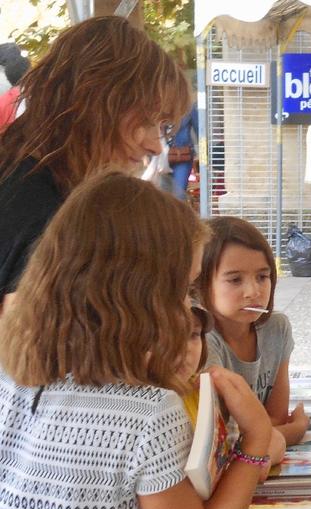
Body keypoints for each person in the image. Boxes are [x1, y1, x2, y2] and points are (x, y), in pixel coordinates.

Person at [0, 174, 274, 509]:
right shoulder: (150, 414)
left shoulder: (12, 373)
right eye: (181, 288)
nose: (185, 306)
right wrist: (254, 443)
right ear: (143, 296)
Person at [0, 16, 190, 311]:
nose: (155, 145)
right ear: (93, 103)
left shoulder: (23, 169)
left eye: (163, 126)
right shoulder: (43, 213)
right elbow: (36, 349)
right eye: (145, 120)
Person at [195, 216, 309, 449]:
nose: (253, 291)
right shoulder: (201, 340)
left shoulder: (277, 328)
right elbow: (225, 440)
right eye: (235, 280)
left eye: (262, 277)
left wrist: (268, 432)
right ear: (201, 283)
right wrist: (294, 431)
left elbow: (276, 416)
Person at [169, 101, 199, 200]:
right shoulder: (155, 104)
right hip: (159, 157)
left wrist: (203, 158)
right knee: (160, 192)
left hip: (182, 155)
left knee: (179, 194)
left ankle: (175, 214)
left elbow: (200, 130)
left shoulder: (189, 106)